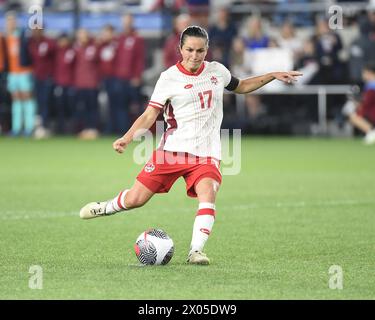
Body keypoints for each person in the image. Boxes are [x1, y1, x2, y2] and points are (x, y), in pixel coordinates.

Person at [79, 26, 302, 265]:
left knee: (208, 195)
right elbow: (149, 115)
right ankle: (106, 207)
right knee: (136, 199)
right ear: (180, 49)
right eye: (189, 50)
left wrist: (271, 75)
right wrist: (127, 137)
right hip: (171, 152)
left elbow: (242, 86)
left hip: (207, 154)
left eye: (200, 50)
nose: (195, 56)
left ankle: (196, 251)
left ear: (207, 50)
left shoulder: (217, 71)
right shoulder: (168, 78)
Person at [342, 62, 375, 145]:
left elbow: (367, 103)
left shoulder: (372, 86)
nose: (363, 75)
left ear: (369, 73)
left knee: (352, 116)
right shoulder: (369, 85)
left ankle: (371, 132)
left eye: (364, 72)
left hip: (371, 112)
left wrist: (356, 103)